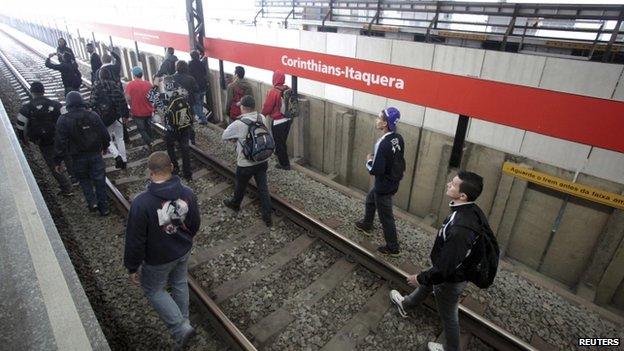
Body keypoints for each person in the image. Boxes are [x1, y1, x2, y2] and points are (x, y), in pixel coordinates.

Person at [390, 171, 487, 351]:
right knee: (429, 282)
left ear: (463, 195)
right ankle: (406, 304)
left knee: (449, 314)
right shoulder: (470, 210)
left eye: (453, 184)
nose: (448, 184)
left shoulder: (460, 227)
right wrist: (429, 276)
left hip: (450, 278)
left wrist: (419, 278)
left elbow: (445, 268)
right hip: (450, 269)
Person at [124, 151, 200, 350]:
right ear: (172, 168)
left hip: (158, 258)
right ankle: (185, 324)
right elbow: (194, 223)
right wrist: (186, 238)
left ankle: (179, 328)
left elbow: (135, 240)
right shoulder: (187, 193)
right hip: (182, 250)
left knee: (154, 289)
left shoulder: (142, 203)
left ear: (150, 172)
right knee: (179, 282)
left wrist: (132, 267)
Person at [354, 107, 405, 256]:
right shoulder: (398, 138)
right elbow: (398, 159)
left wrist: (369, 160)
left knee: (386, 217)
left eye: (379, 118)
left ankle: (393, 247)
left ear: (385, 124)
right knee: (370, 200)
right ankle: (367, 225)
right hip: (393, 180)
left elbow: (375, 170)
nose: (377, 120)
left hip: (383, 185)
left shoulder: (382, 144)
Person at [54, 91, 111, 216]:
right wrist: (105, 146)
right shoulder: (93, 115)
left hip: (77, 156)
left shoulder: (63, 120)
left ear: (68, 104)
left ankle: (92, 202)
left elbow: (60, 142)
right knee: (99, 180)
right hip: (95, 154)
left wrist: (58, 161)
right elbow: (104, 133)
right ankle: (104, 207)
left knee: (84, 180)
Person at [221, 95, 273, 227]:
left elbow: (224, 135)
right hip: (262, 160)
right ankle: (267, 216)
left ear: (243, 108)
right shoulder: (261, 117)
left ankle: (235, 204)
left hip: (245, 163)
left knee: (240, 185)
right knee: (263, 188)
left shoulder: (239, 123)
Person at [17, 81, 73, 196]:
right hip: (60, 138)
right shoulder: (56, 105)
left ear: (31, 92)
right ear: (44, 91)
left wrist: (24, 139)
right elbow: (68, 118)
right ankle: (75, 177)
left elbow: (20, 125)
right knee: (68, 156)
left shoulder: (26, 108)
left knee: (53, 164)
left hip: (44, 142)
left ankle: (66, 188)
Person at [90, 68, 130, 169]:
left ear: (99, 76)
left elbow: (92, 103)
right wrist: (125, 115)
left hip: (104, 119)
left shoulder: (96, 86)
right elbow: (123, 101)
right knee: (120, 138)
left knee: (107, 139)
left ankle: (117, 156)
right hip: (117, 116)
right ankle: (124, 160)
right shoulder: (115, 85)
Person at [261, 70, 291, 170]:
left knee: (279, 143)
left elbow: (267, 106)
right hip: (288, 119)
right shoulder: (287, 89)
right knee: (283, 141)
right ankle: (279, 155)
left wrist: (262, 115)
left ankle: (284, 164)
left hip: (278, 121)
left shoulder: (273, 91)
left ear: (275, 78)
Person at [125, 66, 154, 150]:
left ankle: (149, 142)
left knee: (142, 130)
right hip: (148, 111)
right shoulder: (148, 84)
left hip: (137, 112)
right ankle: (150, 145)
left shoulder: (130, 85)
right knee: (148, 128)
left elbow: (128, 98)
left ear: (134, 75)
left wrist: (131, 105)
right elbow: (152, 98)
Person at [188, 50, 208, 124]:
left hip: (196, 88)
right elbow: (205, 74)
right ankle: (201, 118)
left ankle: (203, 119)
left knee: (196, 104)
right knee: (201, 103)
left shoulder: (190, 64)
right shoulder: (202, 63)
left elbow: (189, 76)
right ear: (198, 56)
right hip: (203, 86)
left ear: (191, 56)